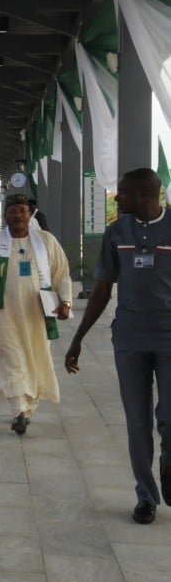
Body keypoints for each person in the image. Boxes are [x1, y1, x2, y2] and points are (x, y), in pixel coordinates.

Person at [64, 168, 171, 525]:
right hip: (129, 339)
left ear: (145, 195)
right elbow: (102, 290)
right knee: (137, 421)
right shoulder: (117, 233)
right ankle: (146, 496)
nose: (117, 198)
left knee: (168, 419)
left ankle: (168, 462)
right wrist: (78, 338)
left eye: (122, 193)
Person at [0, 193, 72, 435]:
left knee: (34, 359)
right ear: (6, 215)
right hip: (3, 316)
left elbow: (61, 273)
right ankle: (18, 411)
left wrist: (65, 301)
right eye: (13, 211)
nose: (18, 215)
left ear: (29, 213)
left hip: (37, 315)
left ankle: (27, 406)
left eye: (22, 210)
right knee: (12, 360)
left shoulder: (46, 241)